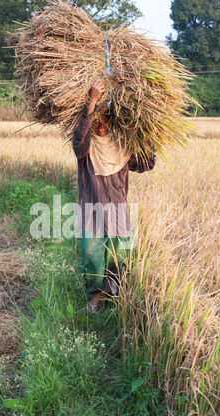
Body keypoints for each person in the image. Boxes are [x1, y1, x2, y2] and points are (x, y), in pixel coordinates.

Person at [73, 79, 156, 313]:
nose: (102, 124)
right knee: (91, 255)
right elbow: (78, 142)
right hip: (91, 210)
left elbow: (146, 164)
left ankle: (112, 300)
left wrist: (145, 134)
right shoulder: (87, 151)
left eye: (106, 119)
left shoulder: (122, 149)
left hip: (118, 210)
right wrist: (91, 103)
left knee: (118, 257)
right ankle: (94, 300)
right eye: (98, 119)